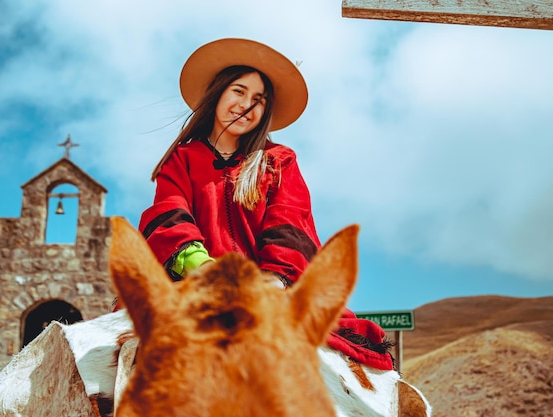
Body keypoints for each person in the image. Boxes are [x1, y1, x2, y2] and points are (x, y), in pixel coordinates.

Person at [137, 38, 394, 371]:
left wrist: (273, 282)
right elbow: (170, 215)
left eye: (258, 100)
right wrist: (204, 268)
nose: (247, 105)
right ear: (218, 93)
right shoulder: (180, 161)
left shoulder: (279, 161)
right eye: (239, 91)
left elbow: (290, 225)